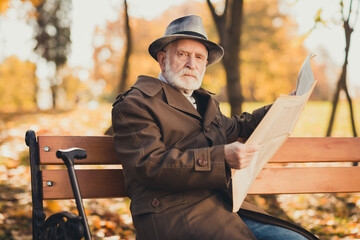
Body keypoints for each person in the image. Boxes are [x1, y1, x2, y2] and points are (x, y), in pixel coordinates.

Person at [112, 15, 318, 240]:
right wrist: (221, 157)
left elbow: (239, 126)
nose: (192, 64)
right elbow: (150, 164)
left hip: (220, 207)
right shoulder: (136, 103)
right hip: (171, 215)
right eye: (183, 54)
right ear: (162, 59)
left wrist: (285, 105)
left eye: (199, 57)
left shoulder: (204, 103)